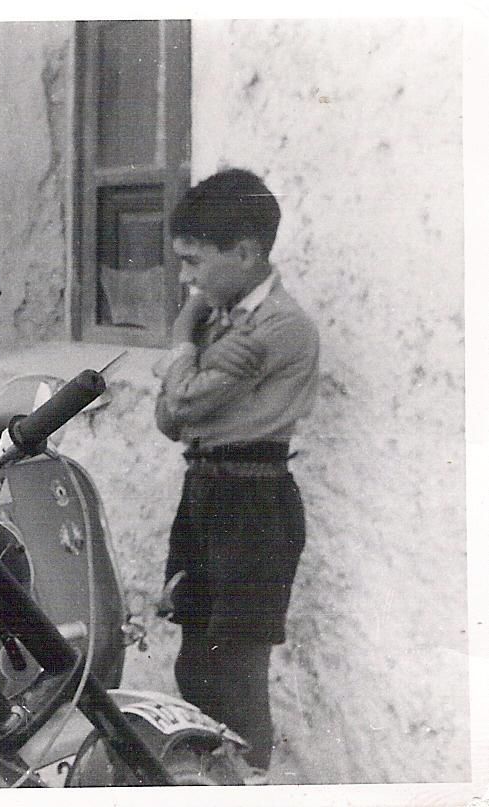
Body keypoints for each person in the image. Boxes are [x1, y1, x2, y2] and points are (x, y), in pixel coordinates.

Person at [154, 168, 320, 778]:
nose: (186, 279)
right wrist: (189, 353)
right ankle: (206, 782)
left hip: (254, 501)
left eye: (194, 262)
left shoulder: (277, 327)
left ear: (246, 253)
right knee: (193, 662)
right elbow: (169, 419)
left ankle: (251, 786)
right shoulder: (219, 322)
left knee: (237, 669)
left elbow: (187, 403)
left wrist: (179, 346)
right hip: (205, 491)